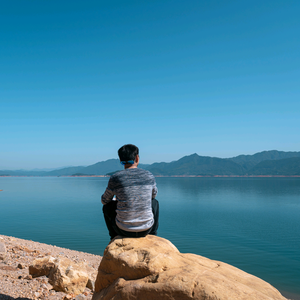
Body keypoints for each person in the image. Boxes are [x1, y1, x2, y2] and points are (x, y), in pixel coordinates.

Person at [101, 144, 159, 240]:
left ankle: (114, 236)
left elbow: (104, 201)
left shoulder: (115, 177)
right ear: (137, 157)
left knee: (107, 206)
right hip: (146, 229)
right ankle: (153, 234)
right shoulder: (149, 175)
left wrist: (118, 199)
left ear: (120, 160)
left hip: (123, 230)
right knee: (154, 203)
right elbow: (153, 195)